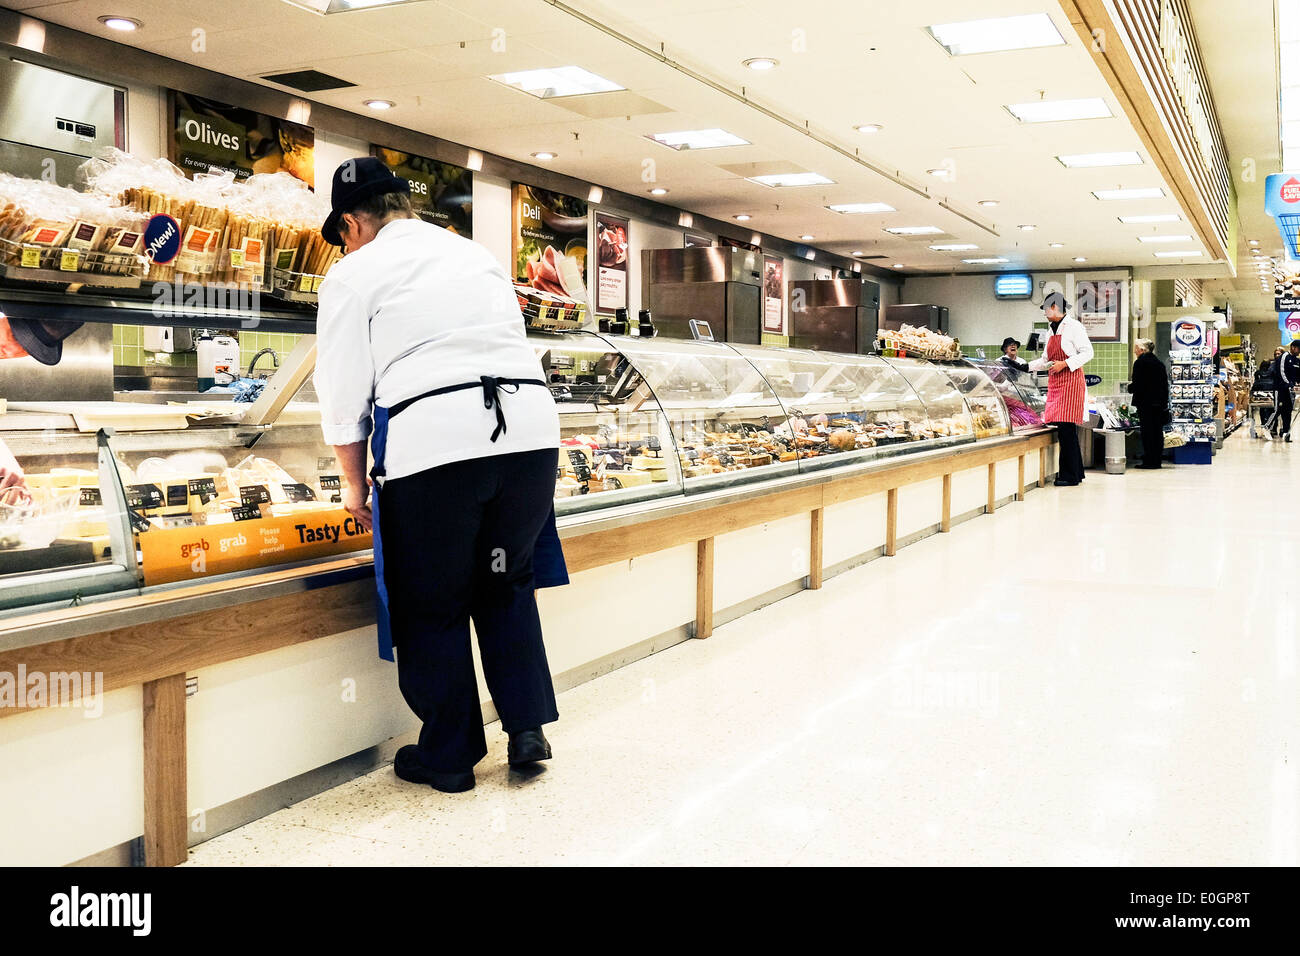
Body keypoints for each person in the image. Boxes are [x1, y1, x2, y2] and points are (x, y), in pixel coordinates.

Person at [315, 157, 563, 793]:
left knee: (433, 600)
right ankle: (527, 726)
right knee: (506, 580)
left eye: (341, 234)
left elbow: (343, 389)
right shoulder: (473, 254)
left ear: (351, 223)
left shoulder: (352, 273)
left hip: (435, 446)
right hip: (530, 436)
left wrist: (352, 481)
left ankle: (450, 755)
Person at [1028, 291, 1093, 485]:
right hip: (1057, 382)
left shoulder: (1074, 327)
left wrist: (1064, 364)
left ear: (1055, 307)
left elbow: (1088, 352)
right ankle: (1076, 473)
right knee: (1066, 430)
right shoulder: (1051, 330)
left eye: (1046, 309)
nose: (1045, 313)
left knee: (1066, 430)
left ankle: (1069, 476)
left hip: (1071, 381)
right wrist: (1026, 366)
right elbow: (1045, 360)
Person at [1128, 338, 1168, 469]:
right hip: (1159, 405)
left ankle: (1149, 461)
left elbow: (1138, 384)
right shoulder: (1159, 363)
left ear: (1142, 350)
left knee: (1147, 433)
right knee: (1157, 433)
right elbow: (1164, 386)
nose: (1134, 351)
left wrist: (1130, 388)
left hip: (1146, 404)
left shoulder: (1140, 363)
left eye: (1136, 348)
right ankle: (1156, 460)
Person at [1278, 340, 1300, 441]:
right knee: (1279, 411)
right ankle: (1270, 428)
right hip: (1282, 389)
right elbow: (1282, 372)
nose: (1299, 352)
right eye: (1298, 349)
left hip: (1290, 390)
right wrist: (1289, 384)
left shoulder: (1296, 360)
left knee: (1288, 412)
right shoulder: (1285, 356)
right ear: (1293, 347)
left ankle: (1286, 433)